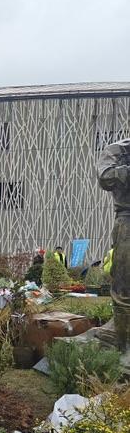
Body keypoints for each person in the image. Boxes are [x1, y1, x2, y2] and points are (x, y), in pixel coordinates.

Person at [98, 138, 130, 364]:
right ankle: (122, 343)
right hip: (128, 219)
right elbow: (105, 177)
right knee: (124, 283)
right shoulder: (118, 149)